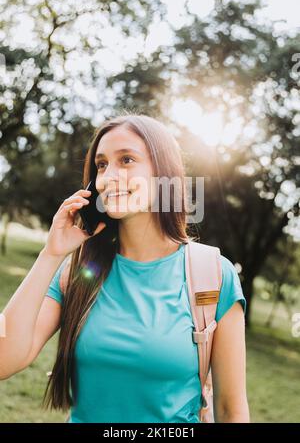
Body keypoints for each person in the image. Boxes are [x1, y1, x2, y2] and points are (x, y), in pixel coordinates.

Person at [0, 114, 250, 423]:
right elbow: (3, 360)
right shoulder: (76, 272)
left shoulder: (214, 275)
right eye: (102, 165)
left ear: (163, 174)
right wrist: (50, 255)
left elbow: (230, 410)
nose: (108, 177)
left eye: (127, 160)